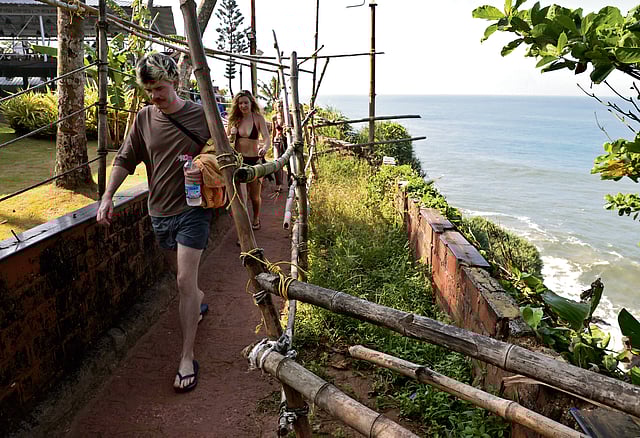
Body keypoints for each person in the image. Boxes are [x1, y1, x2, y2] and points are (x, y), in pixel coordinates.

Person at [96, 53, 211, 393]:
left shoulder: (200, 114)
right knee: (182, 283)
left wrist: (204, 165)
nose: (155, 96)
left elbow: (226, 152)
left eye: (159, 88)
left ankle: (187, 356)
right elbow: (125, 158)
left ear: (175, 81)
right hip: (159, 212)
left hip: (194, 209)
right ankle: (197, 297)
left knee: (182, 279)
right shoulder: (145, 117)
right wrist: (108, 196)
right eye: (149, 90)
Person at [226, 90, 271, 229]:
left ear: (251, 103)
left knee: (255, 197)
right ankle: (244, 229)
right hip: (239, 162)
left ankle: (256, 218)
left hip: (254, 162)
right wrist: (232, 135)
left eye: (245, 102)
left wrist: (265, 148)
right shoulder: (234, 120)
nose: (243, 106)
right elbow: (227, 141)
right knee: (242, 198)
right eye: (240, 103)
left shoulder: (258, 118)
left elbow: (267, 138)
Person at [270, 100, 292, 193]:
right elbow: (273, 131)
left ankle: (290, 182)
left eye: (282, 106)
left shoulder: (290, 116)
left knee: (289, 162)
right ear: (276, 107)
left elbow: (294, 129)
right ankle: (279, 184)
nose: (280, 108)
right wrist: (272, 142)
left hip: (287, 140)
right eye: (279, 106)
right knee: (277, 161)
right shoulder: (274, 118)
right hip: (277, 141)